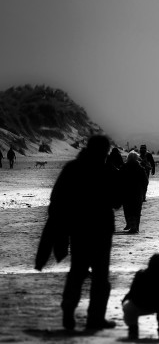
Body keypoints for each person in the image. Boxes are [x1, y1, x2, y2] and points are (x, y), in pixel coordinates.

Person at [35, 135, 122, 332]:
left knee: (78, 272)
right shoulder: (107, 171)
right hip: (101, 231)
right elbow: (117, 202)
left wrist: (59, 228)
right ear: (105, 151)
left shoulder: (72, 169)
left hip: (78, 230)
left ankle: (68, 312)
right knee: (100, 277)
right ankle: (95, 319)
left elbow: (56, 199)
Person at [122, 253, 159, 341]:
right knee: (128, 305)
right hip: (139, 304)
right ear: (158, 268)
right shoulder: (141, 276)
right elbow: (133, 296)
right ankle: (133, 330)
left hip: (156, 305)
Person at [120, 150, 149, 234]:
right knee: (137, 210)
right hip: (138, 192)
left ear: (128, 158)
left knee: (128, 209)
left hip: (126, 192)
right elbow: (146, 181)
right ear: (137, 158)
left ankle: (131, 225)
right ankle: (136, 227)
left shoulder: (124, 167)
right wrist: (143, 190)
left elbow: (119, 179)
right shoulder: (140, 168)